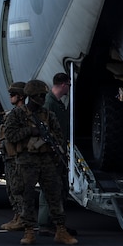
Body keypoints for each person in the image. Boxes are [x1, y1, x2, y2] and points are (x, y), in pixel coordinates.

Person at [3, 79, 78, 245]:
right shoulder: (17, 115)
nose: (42, 99)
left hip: (46, 160)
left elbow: (58, 136)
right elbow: (10, 135)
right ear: (30, 96)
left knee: (54, 194)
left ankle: (60, 230)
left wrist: (53, 147)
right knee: (28, 196)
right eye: (39, 96)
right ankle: (29, 231)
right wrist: (31, 131)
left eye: (44, 95)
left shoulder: (48, 115)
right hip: (26, 160)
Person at [38, 72, 72, 234]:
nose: (69, 89)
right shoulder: (48, 104)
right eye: (69, 85)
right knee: (49, 187)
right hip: (50, 153)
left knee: (60, 188)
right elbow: (43, 130)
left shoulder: (56, 104)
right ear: (64, 85)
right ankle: (45, 223)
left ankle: (55, 222)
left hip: (58, 153)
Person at [0, 82, 27, 231]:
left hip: (16, 157)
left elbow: (14, 137)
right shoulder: (14, 113)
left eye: (13, 95)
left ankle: (22, 218)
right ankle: (17, 216)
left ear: (21, 96)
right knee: (11, 189)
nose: (10, 97)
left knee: (17, 188)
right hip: (10, 156)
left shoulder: (21, 114)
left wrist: (0, 145)